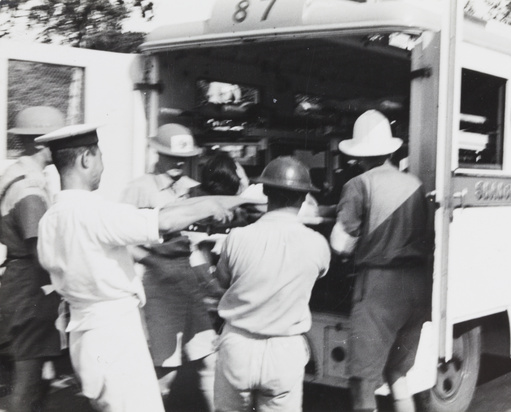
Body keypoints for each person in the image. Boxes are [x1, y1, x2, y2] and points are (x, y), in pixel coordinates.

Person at [34, 124, 240, 412]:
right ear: (86, 159)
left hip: (84, 332)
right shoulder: (96, 213)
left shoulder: (49, 220)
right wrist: (217, 205)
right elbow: (164, 221)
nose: (103, 166)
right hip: (114, 334)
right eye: (100, 157)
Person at [120, 124, 228, 411]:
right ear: (156, 152)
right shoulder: (139, 189)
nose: (178, 162)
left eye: (183, 157)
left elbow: (195, 237)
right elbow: (121, 241)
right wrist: (151, 260)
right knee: (164, 369)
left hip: (189, 283)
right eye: (171, 155)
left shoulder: (189, 189)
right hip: (158, 287)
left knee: (209, 357)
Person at [329, 110, 432, 412]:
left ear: (357, 155)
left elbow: (340, 244)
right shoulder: (415, 184)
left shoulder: (359, 184)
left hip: (380, 291)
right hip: (417, 286)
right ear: (389, 150)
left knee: (362, 382)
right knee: (397, 372)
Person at [214, 156, 331, 412]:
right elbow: (319, 274)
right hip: (284, 351)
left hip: (238, 347)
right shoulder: (317, 244)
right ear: (303, 198)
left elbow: (222, 280)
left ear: (265, 192)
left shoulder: (237, 237)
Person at [0, 106, 65, 412]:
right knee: (27, 382)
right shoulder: (29, 189)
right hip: (31, 286)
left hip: (22, 281)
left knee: (35, 378)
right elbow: (42, 250)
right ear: (41, 142)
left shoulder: (20, 175)